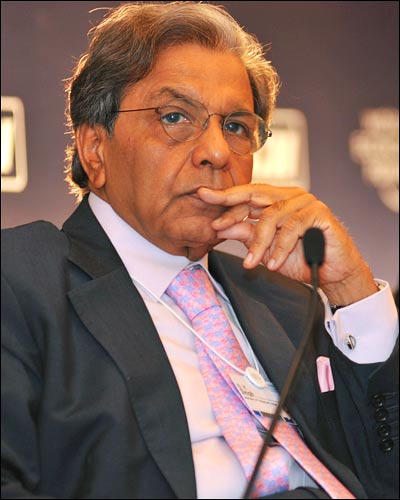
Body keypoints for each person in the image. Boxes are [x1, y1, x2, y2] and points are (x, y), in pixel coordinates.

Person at [1, 2, 398, 499]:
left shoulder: (288, 303)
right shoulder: (21, 281)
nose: (216, 152)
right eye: (175, 117)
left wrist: (350, 289)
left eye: (236, 126)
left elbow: (382, 475)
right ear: (95, 150)